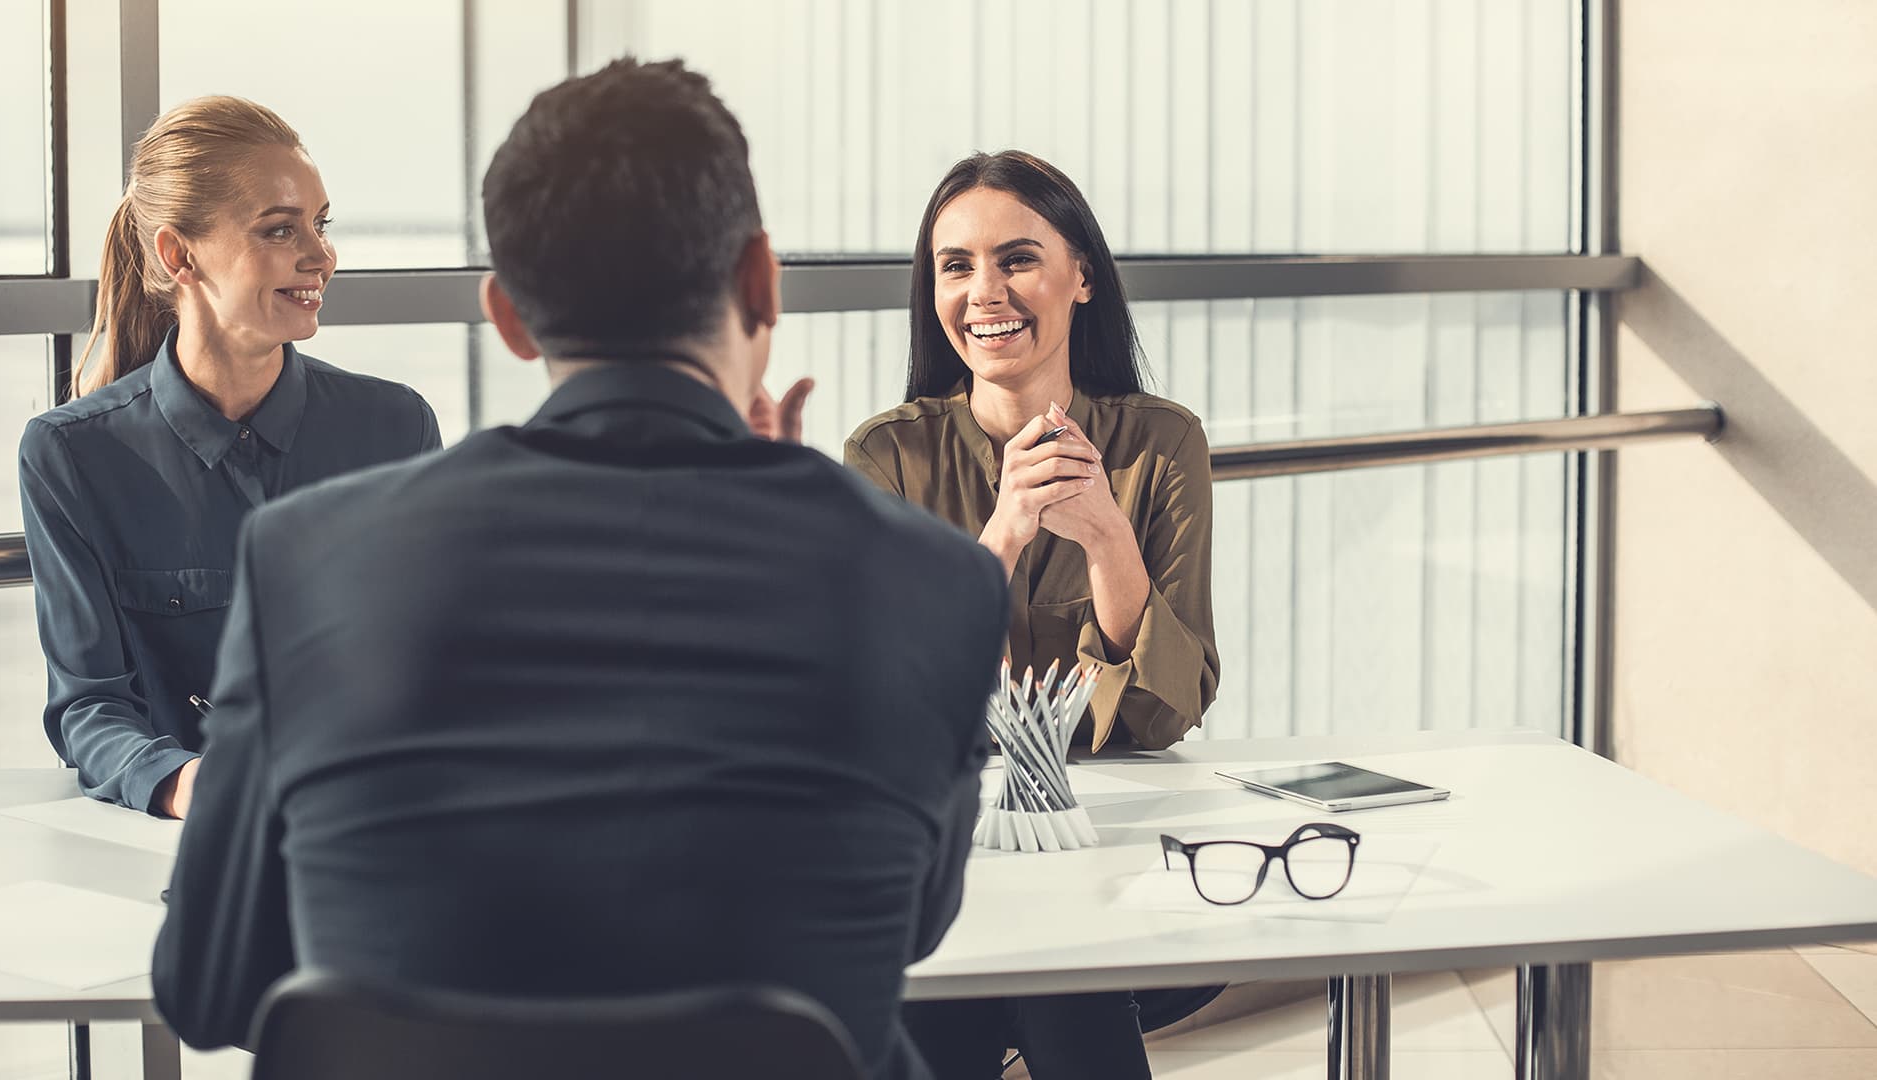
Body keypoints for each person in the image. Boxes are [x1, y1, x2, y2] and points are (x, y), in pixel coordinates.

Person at [151, 59, 1009, 1080]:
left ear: (507, 316)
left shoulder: (307, 558)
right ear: (760, 282)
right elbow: (907, 926)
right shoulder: (936, 581)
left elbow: (208, 986)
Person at [844, 150, 1224, 1080]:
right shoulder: (886, 458)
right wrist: (1004, 535)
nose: (985, 293)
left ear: (1081, 276)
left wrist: (1107, 540)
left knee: (1031, 973)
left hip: (1106, 855)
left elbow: (1169, 709)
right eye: (957, 265)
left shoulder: (1160, 444)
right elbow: (890, 706)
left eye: (1017, 259)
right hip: (951, 856)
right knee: (1029, 974)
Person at [17, 96, 441, 817]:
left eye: (321, 223)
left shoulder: (394, 428)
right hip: (191, 846)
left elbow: (439, 665)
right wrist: (200, 787)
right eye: (281, 229)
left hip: (379, 828)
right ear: (179, 255)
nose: (321, 255)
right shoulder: (71, 455)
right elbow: (89, 708)